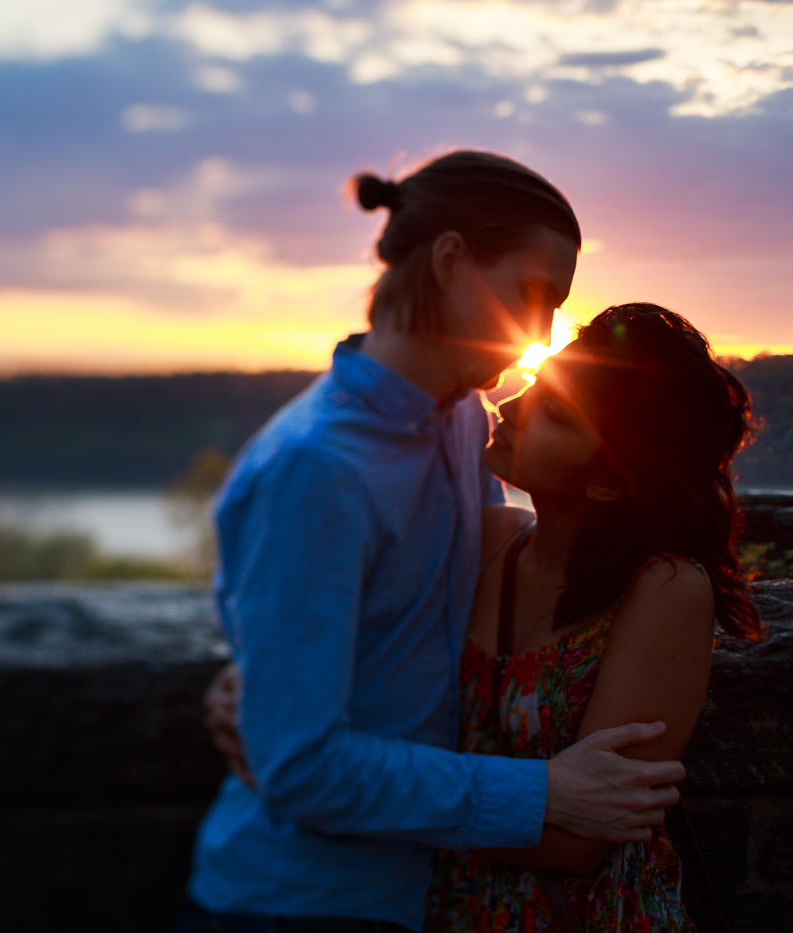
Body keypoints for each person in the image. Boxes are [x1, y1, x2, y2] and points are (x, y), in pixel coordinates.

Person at [176, 152, 687, 933]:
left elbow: (438, 628)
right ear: (449, 261)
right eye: (532, 293)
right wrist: (543, 794)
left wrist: (262, 677)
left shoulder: (458, 423)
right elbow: (301, 765)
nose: (540, 334)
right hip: (292, 903)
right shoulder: (315, 469)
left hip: (416, 896)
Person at [425, 304, 767, 932]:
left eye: (554, 413)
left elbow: (581, 842)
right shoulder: (488, 541)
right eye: (534, 382)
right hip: (448, 905)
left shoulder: (663, 590)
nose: (510, 405)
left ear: (611, 482)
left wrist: (359, 798)